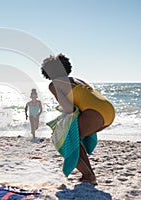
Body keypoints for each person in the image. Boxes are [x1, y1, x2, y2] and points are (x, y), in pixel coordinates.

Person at [41, 54, 115, 185]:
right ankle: (89, 175)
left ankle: (88, 174)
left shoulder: (54, 84)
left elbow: (69, 108)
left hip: (95, 113)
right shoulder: (77, 79)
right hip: (108, 110)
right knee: (75, 138)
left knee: (65, 140)